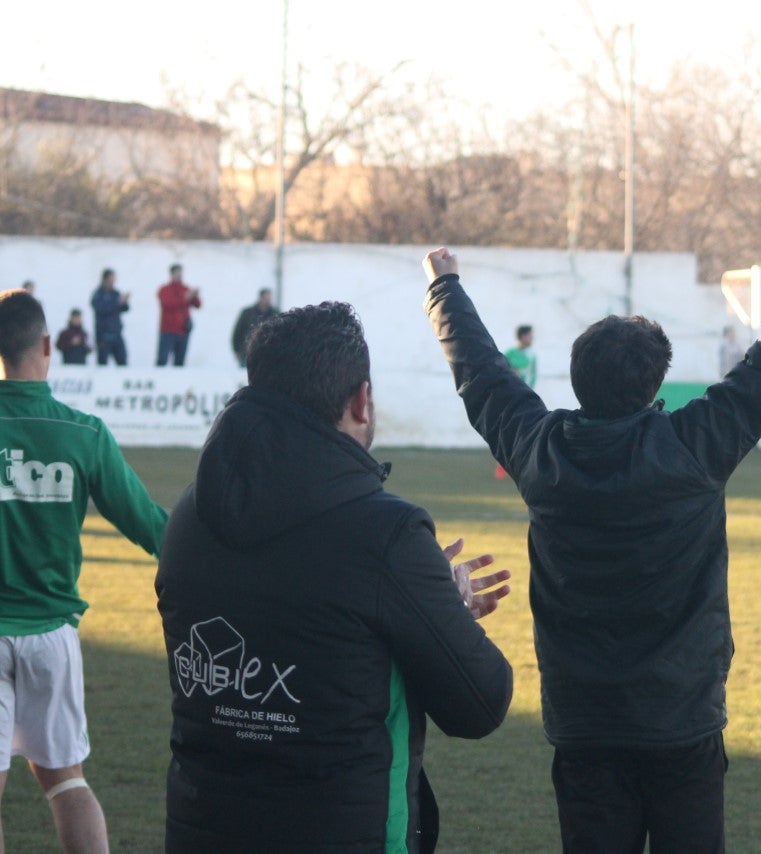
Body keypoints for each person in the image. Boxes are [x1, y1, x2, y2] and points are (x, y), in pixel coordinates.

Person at [421, 210, 761, 852]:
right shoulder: (695, 447)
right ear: (655, 383)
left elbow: (481, 376)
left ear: (577, 378)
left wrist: (445, 287)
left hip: (583, 725)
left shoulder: (542, 453)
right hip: (681, 720)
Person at [155, 301, 513, 852]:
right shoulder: (386, 536)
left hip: (202, 828)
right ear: (361, 401)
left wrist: (423, 595)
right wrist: (439, 596)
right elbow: (481, 702)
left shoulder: (188, 516)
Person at [0, 288, 168, 853]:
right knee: (67, 783)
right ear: (48, 345)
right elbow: (150, 525)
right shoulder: (83, 433)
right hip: (51, 636)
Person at [494, 325, 537, 479]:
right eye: (530, 335)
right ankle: (502, 467)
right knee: (506, 433)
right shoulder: (509, 354)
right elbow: (501, 372)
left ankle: (520, 467)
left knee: (524, 434)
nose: (532, 338)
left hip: (526, 400)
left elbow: (533, 377)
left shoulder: (532, 355)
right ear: (523, 336)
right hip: (509, 399)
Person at [156, 263, 201, 367]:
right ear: (171, 274)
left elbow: (198, 305)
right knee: (162, 360)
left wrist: (195, 296)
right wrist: (185, 298)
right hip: (167, 331)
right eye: (177, 273)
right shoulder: (164, 289)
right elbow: (168, 304)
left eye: (181, 273)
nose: (180, 275)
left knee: (180, 362)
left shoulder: (186, 288)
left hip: (183, 331)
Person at [89, 268, 129, 367]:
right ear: (106, 279)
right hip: (103, 334)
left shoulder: (116, 293)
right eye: (112, 278)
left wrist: (124, 301)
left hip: (116, 333)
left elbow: (125, 309)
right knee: (102, 363)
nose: (114, 281)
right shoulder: (98, 294)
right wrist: (117, 303)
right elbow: (100, 309)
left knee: (122, 361)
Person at [230, 288, 279, 368]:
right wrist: (236, 350)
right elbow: (238, 332)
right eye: (266, 298)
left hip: (268, 354)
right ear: (260, 298)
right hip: (248, 353)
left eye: (269, 298)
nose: (268, 300)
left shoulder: (275, 313)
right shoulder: (247, 313)